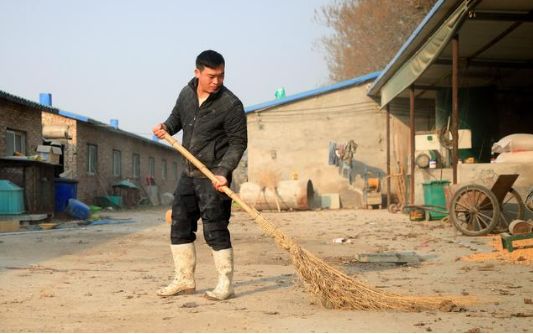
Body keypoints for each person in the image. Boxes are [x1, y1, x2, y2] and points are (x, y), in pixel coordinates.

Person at [152, 50, 247, 300]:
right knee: (179, 224)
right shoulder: (186, 94)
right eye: (211, 76)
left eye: (221, 76)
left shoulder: (231, 105)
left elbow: (238, 143)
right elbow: (176, 119)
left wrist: (224, 172)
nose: (217, 81)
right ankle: (184, 280)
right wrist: (165, 127)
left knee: (215, 228)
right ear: (197, 73)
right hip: (189, 172)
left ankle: (225, 284)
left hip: (213, 176)